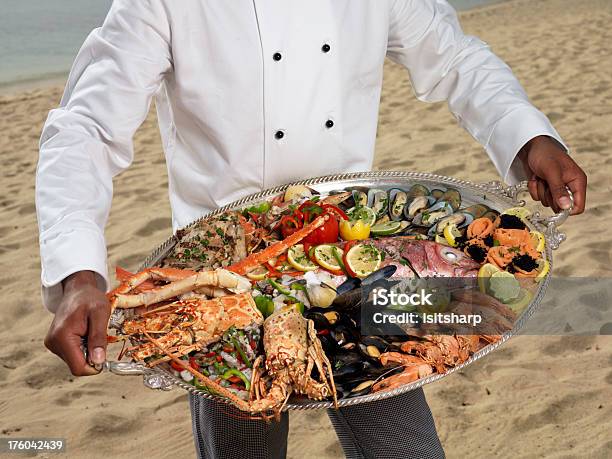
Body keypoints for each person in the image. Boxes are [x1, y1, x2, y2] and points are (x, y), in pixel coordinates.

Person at [36, 1, 587, 458]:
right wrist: (78, 271)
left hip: (351, 254)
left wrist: (526, 136)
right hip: (222, 278)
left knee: (406, 448)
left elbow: (456, 59)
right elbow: (87, 125)